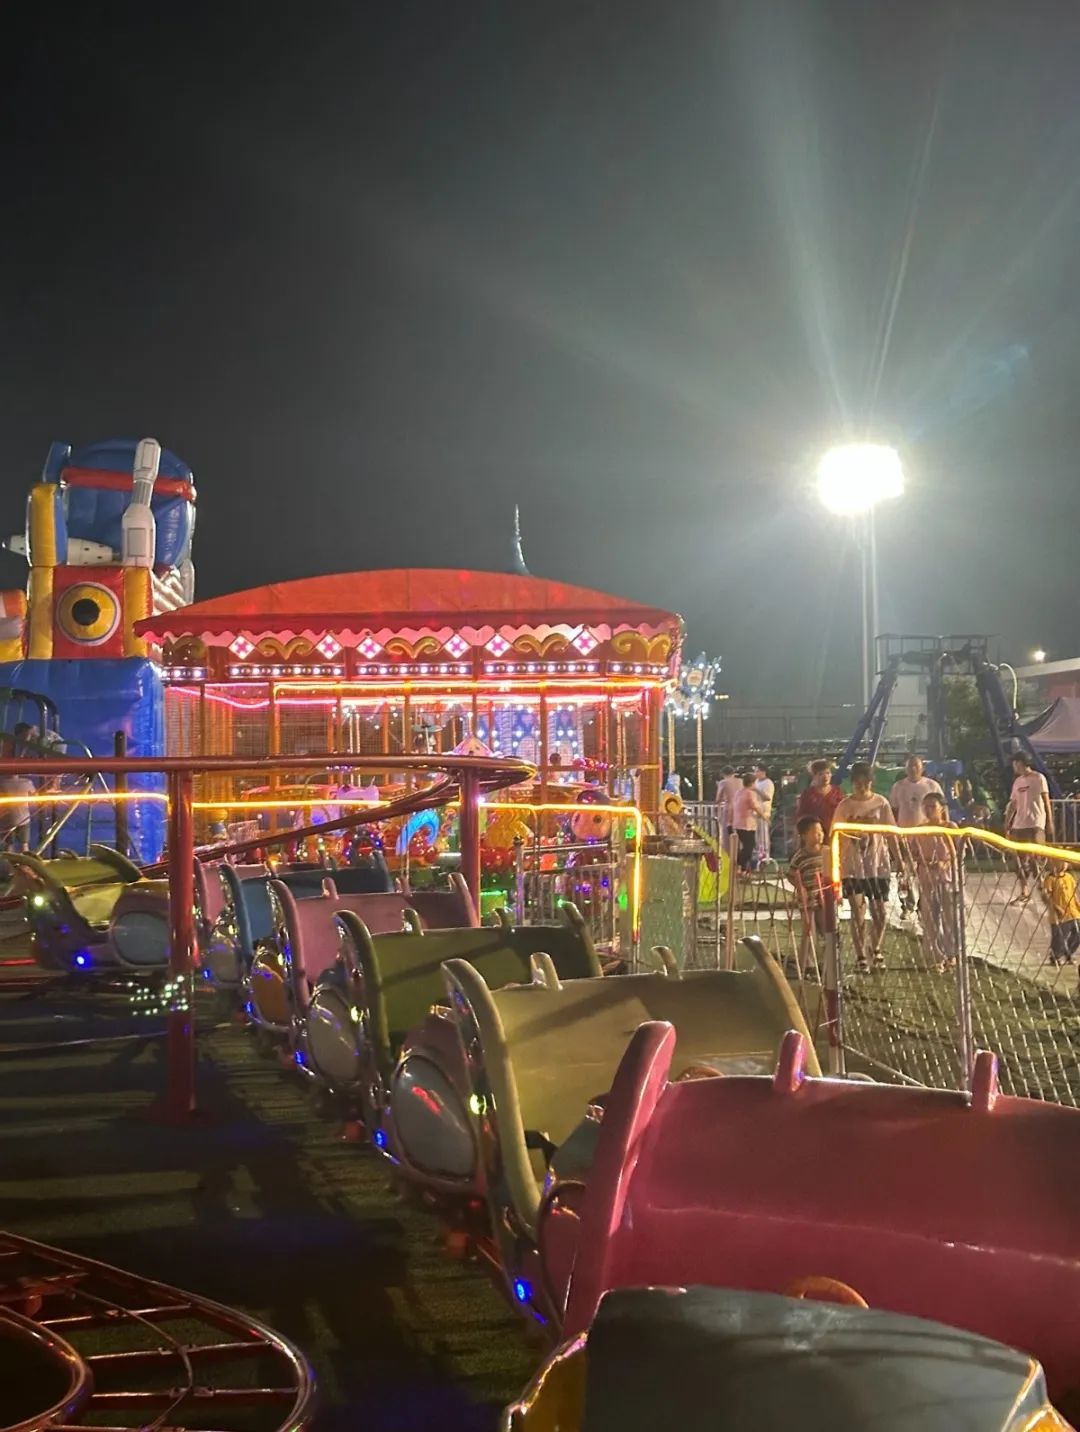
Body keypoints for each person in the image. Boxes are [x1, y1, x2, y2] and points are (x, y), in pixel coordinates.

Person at [833, 762, 893, 972]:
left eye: (865, 782)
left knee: (879, 912)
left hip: (877, 865)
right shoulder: (845, 806)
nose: (861, 786)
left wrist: (902, 859)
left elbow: (891, 832)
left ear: (871, 782)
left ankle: (875, 947)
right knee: (858, 911)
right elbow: (835, 834)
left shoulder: (881, 803)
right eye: (857, 782)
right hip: (852, 866)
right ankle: (860, 956)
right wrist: (836, 862)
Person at [889, 755, 944, 915]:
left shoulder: (932, 785)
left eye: (916, 766)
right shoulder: (898, 787)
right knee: (904, 872)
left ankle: (923, 904)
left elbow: (943, 809)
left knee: (924, 871)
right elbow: (894, 810)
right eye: (910, 766)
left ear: (922, 768)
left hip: (926, 836)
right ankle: (907, 904)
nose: (913, 769)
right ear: (905, 768)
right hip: (904, 836)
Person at [913, 792, 960, 974]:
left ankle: (951, 955)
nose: (928, 810)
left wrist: (944, 863)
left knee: (949, 918)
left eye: (932, 806)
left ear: (942, 808)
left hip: (946, 878)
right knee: (930, 919)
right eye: (925, 806)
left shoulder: (950, 827)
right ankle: (935, 956)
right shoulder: (920, 829)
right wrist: (921, 861)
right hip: (926, 878)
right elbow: (913, 852)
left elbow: (958, 852)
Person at [1004, 752, 1054, 902]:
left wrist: (1049, 821)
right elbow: (1013, 803)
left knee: (1035, 856)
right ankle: (1024, 889)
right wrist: (1007, 822)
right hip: (1019, 824)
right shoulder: (1017, 782)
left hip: (1035, 823)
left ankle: (1042, 885)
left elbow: (1046, 800)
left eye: (1015, 763)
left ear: (1020, 762)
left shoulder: (1039, 778)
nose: (1013, 766)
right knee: (1019, 859)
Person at [788, 815, 827, 980]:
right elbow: (791, 874)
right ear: (804, 835)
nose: (820, 835)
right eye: (815, 832)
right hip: (807, 899)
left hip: (824, 898)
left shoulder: (826, 852)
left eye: (821, 831)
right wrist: (800, 887)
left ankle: (828, 963)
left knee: (828, 930)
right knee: (809, 932)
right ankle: (805, 965)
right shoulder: (800, 856)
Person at [1039, 860, 1080, 967]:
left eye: (1065, 863)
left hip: (1073, 911)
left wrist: (1078, 904)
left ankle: (1068, 952)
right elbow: (1045, 896)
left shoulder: (1069, 877)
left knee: (1078, 933)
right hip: (1059, 915)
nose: (1063, 865)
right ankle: (1055, 957)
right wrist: (1056, 907)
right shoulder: (1050, 879)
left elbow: (1073, 894)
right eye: (1061, 862)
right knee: (1060, 936)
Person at [795, 758, 844, 837]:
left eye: (828, 773)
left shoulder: (837, 792)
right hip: (814, 836)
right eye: (820, 774)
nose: (825, 776)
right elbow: (800, 817)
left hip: (835, 833)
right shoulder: (807, 794)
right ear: (814, 776)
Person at [732, 772, 764, 874]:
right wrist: (764, 816)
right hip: (747, 824)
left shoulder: (738, 792)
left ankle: (742, 869)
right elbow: (755, 806)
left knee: (746, 846)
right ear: (752, 783)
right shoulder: (750, 793)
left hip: (738, 823)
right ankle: (739, 864)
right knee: (749, 847)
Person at [753, 762, 775, 863]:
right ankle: (758, 856)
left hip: (764, 813)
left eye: (757, 771)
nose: (755, 773)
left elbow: (767, 797)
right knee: (756, 837)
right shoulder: (756, 782)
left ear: (763, 772)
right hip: (755, 812)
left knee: (763, 837)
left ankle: (766, 856)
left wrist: (756, 790)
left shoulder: (768, 783)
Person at [715, 765, 742, 844]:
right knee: (740, 831)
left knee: (726, 833)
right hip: (741, 809)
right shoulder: (740, 781)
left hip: (729, 808)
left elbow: (718, 799)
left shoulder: (723, 782)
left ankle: (729, 849)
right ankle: (738, 848)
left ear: (723, 774)